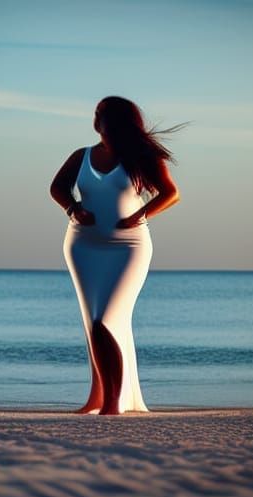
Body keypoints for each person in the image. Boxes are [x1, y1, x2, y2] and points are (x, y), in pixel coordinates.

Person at [49, 96, 182, 415]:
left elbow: (171, 193)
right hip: (83, 245)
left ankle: (113, 403)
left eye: (102, 113)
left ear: (117, 121)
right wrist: (73, 208)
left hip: (129, 247)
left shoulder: (141, 156)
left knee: (105, 320)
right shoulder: (82, 156)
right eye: (96, 112)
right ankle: (96, 398)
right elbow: (57, 188)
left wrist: (141, 214)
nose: (95, 117)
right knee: (91, 323)